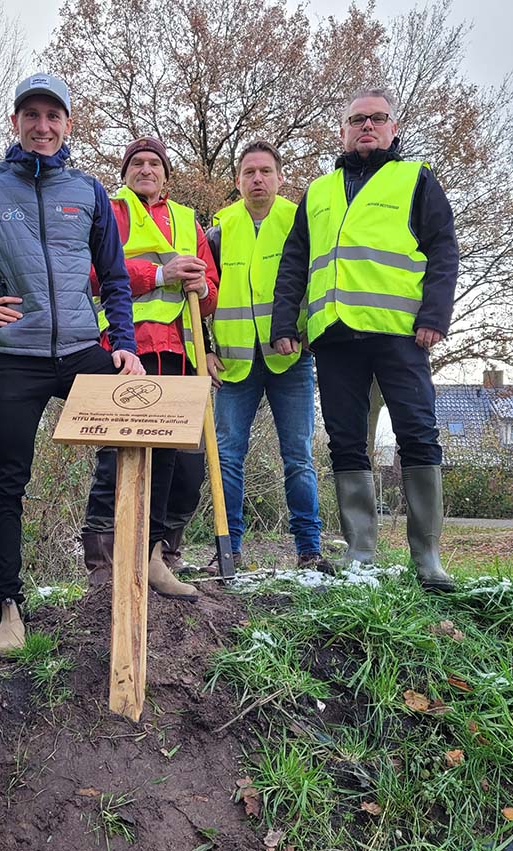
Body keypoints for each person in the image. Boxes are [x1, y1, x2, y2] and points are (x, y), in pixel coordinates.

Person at [0, 74, 143, 652]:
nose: (43, 126)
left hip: (83, 352)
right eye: (32, 116)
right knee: (8, 482)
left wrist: (123, 342)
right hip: (15, 357)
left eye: (53, 116)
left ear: (68, 124)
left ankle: (148, 559)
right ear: (15, 123)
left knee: (151, 436)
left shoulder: (88, 192)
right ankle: (8, 608)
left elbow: (114, 276)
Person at [270, 88, 458, 593]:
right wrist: (285, 323)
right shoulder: (319, 191)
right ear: (343, 131)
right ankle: (359, 553)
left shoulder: (415, 178)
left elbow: (443, 249)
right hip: (334, 336)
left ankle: (428, 558)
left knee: (418, 433)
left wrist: (435, 315)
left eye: (377, 118)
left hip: (400, 334)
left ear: (393, 128)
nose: (366, 126)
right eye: (357, 120)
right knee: (346, 440)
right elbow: (294, 261)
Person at [81, 136, 218, 599]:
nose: (146, 169)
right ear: (125, 173)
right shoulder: (108, 211)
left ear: (165, 173)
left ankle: (155, 556)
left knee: (172, 463)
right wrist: (160, 274)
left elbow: (210, 293)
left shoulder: (186, 220)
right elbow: (93, 275)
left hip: (177, 353)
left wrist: (203, 286)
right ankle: (104, 566)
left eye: (154, 163)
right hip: (122, 351)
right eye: (136, 163)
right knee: (115, 457)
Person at [205, 140, 331, 574]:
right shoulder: (219, 229)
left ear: (280, 176)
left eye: (265, 171)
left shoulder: (300, 220)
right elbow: (201, 294)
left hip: (290, 361)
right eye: (249, 172)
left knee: (298, 456)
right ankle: (228, 552)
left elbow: (320, 280)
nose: (257, 179)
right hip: (233, 362)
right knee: (226, 457)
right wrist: (205, 350)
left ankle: (309, 551)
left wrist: (307, 332)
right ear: (237, 180)